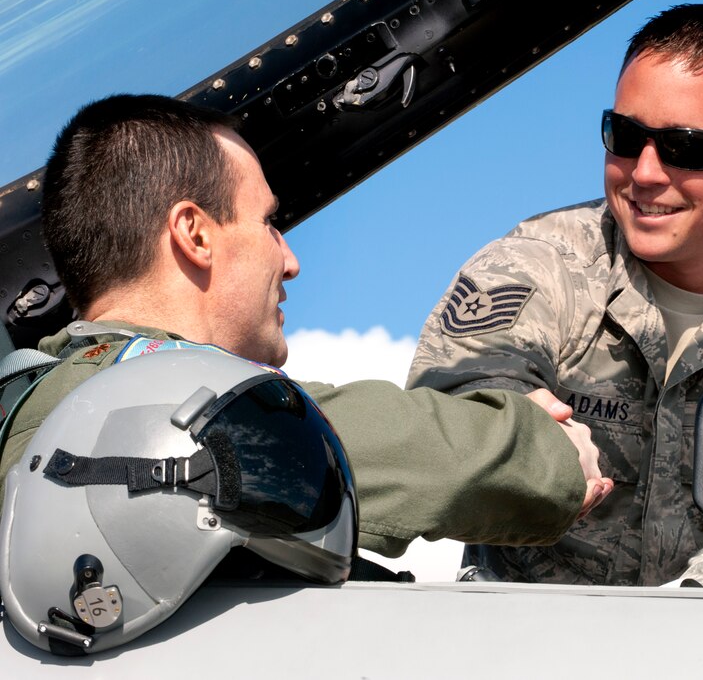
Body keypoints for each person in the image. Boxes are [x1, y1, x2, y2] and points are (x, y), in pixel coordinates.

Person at [0, 94, 615, 561]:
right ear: (194, 234)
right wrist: (551, 453)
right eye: (268, 223)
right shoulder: (159, 411)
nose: (289, 258)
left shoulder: (32, 405)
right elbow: (414, 451)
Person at [408, 4, 703, 586]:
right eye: (626, 135)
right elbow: (456, 406)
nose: (643, 174)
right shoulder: (538, 266)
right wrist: (514, 431)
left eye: (686, 147)